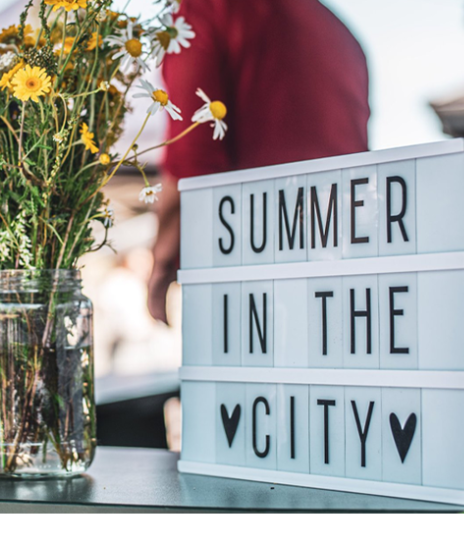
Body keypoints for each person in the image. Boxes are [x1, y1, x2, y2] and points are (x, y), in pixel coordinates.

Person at [147, 0, 371, 323]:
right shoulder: (343, 35)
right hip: (342, 279)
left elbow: (192, 158)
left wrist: (162, 262)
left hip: (252, 280)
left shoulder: (208, 8)